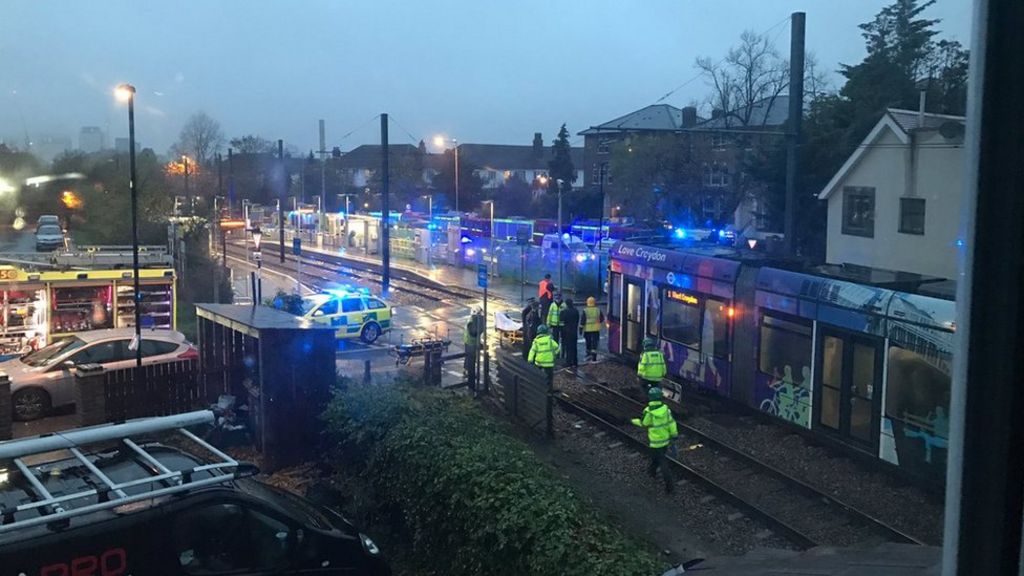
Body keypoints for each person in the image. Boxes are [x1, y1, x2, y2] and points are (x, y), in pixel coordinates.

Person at [631, 386, 678, 493]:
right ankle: (651, 472)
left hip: (655, 443)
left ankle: (670, 486)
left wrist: (633, 421)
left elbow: (644, 423)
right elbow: (671, 423)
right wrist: (674, 434)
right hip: (665, 441)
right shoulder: (666, 410)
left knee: (662, 462)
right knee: (656, 459)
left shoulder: (649, 412)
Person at [463, 309, 483, 388]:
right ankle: (469, 373)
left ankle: (467, 371)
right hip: (470, 342)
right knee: (470, 357)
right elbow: (474, 332)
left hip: (471, 341)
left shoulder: (473, 319)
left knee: (470, 357)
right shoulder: (471, 321)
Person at [581, 296, 604, 362]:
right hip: (596, 329)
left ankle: (588, 354)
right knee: (595, 343)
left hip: (587, 330)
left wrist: (580, 328)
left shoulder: (585, 310)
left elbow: (583, 320)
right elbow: (602, 318)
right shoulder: (598, 310)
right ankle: (594, 356)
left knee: (588, 342)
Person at [560, 298, 580, 369]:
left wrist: (561, 332)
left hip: (566, 332)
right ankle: (575, 362)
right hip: (574, 332)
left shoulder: (564, 312)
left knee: (568, 348)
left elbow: (561, 323)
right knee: (574, 347)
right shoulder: (576, 311)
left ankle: (569, 362)